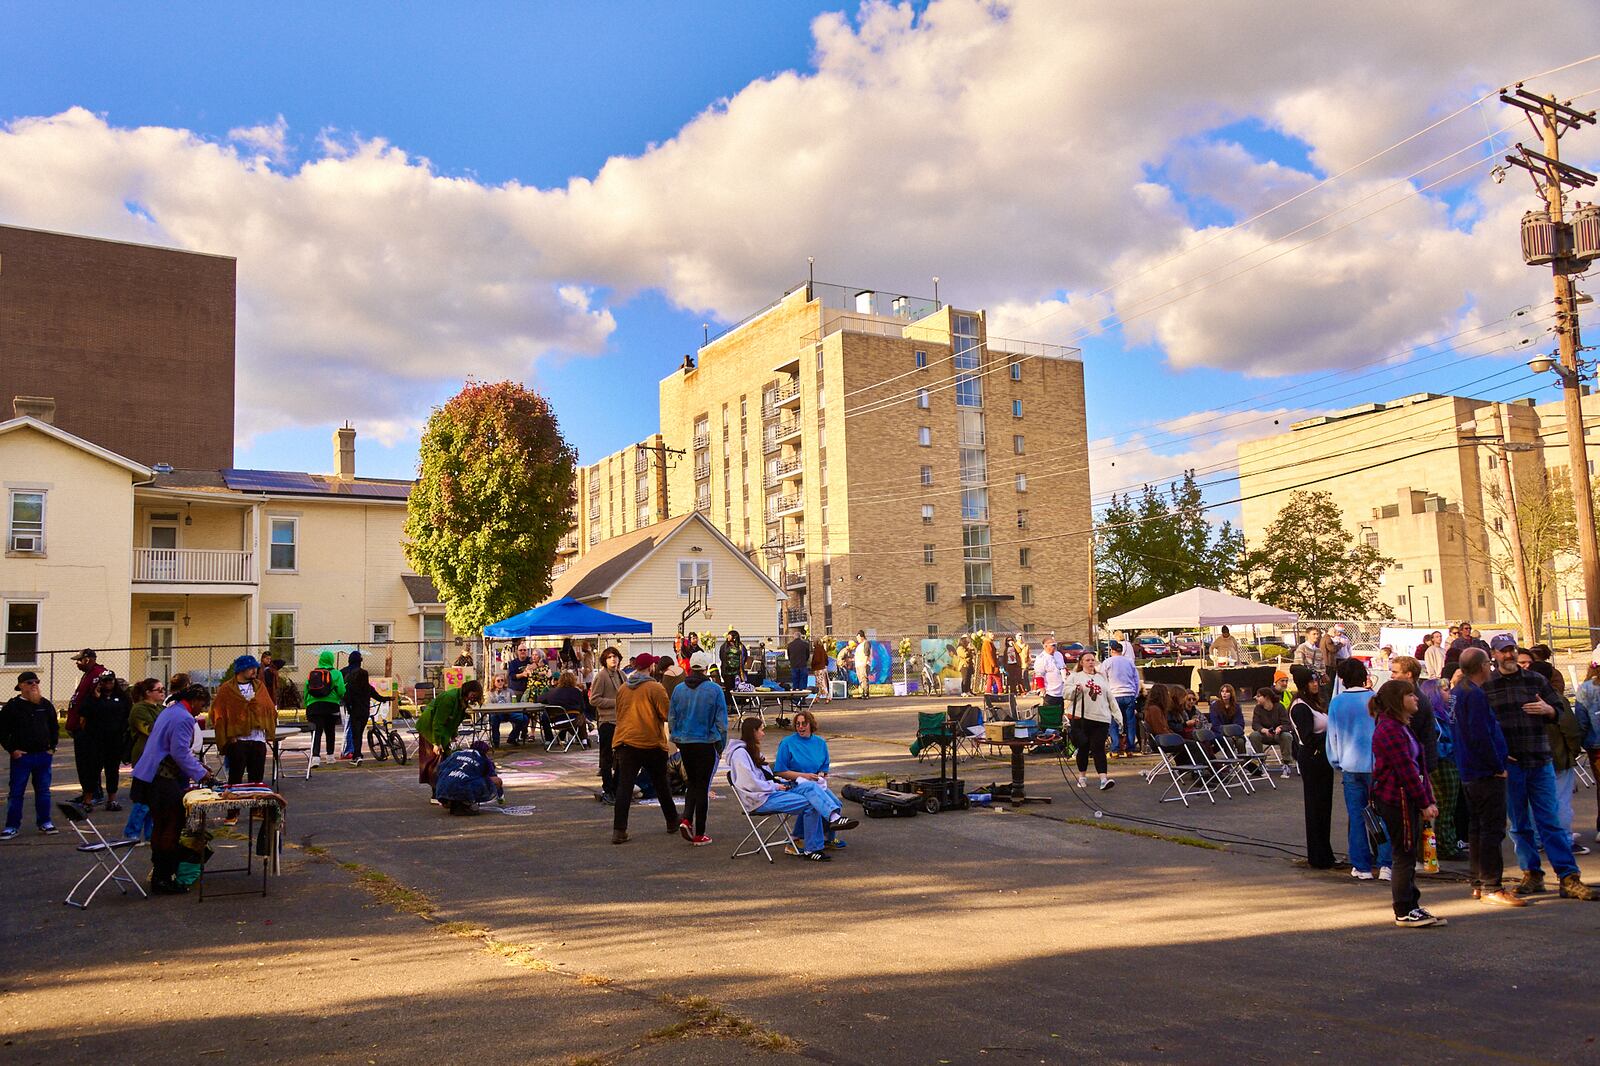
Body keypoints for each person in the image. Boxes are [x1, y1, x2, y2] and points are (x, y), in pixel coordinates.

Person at [1483, 635, 1597, 900]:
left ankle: (1569, 877)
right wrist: (1498, 755)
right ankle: (1531, 874)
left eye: (1512, 649)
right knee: (1520, 825)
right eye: (1503, 651)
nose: (1509, 655)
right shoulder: (1487, 685)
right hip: (1511, 766)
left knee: (1551, 821)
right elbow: (1482, 726)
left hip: (1540, 760)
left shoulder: (1535, 680)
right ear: (1494, 655)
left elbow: (1561, 711)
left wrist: (1549, 710)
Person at [1369, 679, 1446, 928]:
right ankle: (1404, 909)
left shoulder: (1402, 726)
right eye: (1410, 695)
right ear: (1396, 700)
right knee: (1403, 854)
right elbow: (1406, 772)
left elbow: (1418, 767)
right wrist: (1424, 802)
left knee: (1408, 853)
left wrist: (1428, 798)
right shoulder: (1389, 729)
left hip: (1406, 798)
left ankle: (1412, 904)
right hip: (1396, 801)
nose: (1416, 698)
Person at [726, 717, 856, 861]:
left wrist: (782, 782)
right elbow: (750, 783)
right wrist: (776, 786)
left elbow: (767, 777)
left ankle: (831, 820)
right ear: (753, 732)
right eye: (761, 730)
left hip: (770, 792)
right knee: (812, 803)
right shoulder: (740, 754)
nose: (763, 734)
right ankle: (814, 847)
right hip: (759, 800)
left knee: (810, 786)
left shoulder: (752, 751)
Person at [1451, 648, 1524, 907]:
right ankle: (1492, 884)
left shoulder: (1459, 692)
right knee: (1491, 828)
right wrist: (1496, 765)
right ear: (1483, 666)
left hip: (1470, 769)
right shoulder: (1474, 694)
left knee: (1477, 828)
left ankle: (1478, 882)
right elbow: (1480, 734)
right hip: (1483, 772)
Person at [129, 684, 216, 893]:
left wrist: (197, 766)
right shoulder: (184, 718)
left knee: (160, 826)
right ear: (194, 700)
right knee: (171, 825)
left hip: (149, 774)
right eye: (202, 706)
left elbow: (172, 748)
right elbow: (179, 753)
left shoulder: (170, 710)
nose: (201, 710)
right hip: (161, 777)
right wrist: (201, 773)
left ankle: (160, 874)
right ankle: (163, 877)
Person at [1326, 658, 1391, 881]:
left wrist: (1336, 760)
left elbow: (1332, 737)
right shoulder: (1374, 699)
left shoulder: (1336, 703)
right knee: (1382, 815)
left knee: (1357, 817)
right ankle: (1386, 864)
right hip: (1377, 766)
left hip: (1350, 766)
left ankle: (1362, 866)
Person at [1390, 655, 1460, 860]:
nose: (1391, 675)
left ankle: (1422, 855)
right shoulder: (1402, 698)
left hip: (1417, 767)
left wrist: (1427, 767)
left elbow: (1427, 738)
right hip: (1413, 766)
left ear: (1408, 674)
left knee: (1424, 812)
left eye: (1395, 672)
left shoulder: (1416, 702)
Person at [610, 654, 679, 844]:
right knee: (661, 784)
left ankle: (619, 830)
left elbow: (618, 713)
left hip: (625, 741)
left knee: (625, 786)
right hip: (650, 742)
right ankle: (672, 821)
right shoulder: (655, 688)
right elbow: (666, 714)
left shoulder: (623, 688)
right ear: (651, 667)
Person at [668, 651, 726, 846]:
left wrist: (676, 738)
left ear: (690, 667)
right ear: (706, 668)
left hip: (685, 742)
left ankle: (686, 819)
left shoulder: (678, 689)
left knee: (692, 783)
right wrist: (720, 745)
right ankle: (700, 833)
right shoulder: (714, 690)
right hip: (706, 742)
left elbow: (672, 717)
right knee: (702, 787)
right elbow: (721, 722)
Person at [210, 655, 278, 823]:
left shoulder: (259, 686)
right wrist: (229, 736)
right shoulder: (227, 689)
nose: (254, 670)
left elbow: (268, 707)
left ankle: (257, 809)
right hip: (237, 740)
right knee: (235, 778)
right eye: (250, 668)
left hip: (257, 738)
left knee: (256, 776)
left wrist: (259, 714)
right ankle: (232, 812)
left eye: (255, 667)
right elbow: (219, 712)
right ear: (241, 670)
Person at [775, 709, 847, 850]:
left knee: (836, 803)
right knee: (814, 803)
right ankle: (800, 838)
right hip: (794, 784)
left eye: (804, 724)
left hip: (815, 784)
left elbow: (824, 766)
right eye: (797, 724)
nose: (800, 727)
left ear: (811, 725)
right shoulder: (787, 743)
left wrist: (821, 774)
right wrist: (803, 776)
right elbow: (780, 771)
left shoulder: (820, 743)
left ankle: (828, 837)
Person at [2, 671, 60, 839]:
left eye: (36, 681)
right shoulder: (12, 707)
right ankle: (12, 826)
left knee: (43, 791)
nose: (34, 685)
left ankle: (45, 822)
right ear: (20, 686)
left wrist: (52, 747)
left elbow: (54, 726)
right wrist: (12, 750)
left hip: (43, 755)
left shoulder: (45, 704)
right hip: (22, 757)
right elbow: (3, 731)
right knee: (16, 792)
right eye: (29, 682)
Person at [1288, 665, 1335, 868]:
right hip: (1313, 758)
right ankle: (1318, 856)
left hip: (1324, 758)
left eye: (1316, 680)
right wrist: (1331, 734)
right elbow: (1307, 738)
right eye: (1311, 681)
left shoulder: (1314, 703)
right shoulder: (1300, 707)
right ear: (1303, 685)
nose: (1315, 684)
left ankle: (1326, 852)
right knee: (1316, 808)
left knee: (1325, 807)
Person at [78, 672, 131, 812]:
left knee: (112, 771)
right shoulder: (92, 697)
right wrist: (95, 699)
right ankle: (88, 800)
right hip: (96, 741)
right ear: (100, 682)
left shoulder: (122, 697)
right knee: (92, 771)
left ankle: (112, 800)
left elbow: (128, 716)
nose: (108, 683)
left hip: (114, 741)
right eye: (105, 681)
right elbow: (83, 718)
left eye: (110, 680)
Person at [416, 681, 484, 788]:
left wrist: (453, 735)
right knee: (435, 761)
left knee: (446, 759)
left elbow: (455, 719)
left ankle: (444, 789)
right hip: (429, 728)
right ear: (467, 690)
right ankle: (436, 793)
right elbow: (438, 722)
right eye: (473, 695)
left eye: (476, 696)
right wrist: (436, 743)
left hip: (442, 729)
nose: (473, 699)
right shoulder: (449, 698)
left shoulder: (462, 700)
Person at [1066, 652, 1118, 791]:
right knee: (1083, 748)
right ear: (1081, 662)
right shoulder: (1075, 676)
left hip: (1101, 718)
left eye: (1092, 660)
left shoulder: (1101, 678)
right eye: (1087, 660)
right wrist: (1075, 689)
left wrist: (1118, 716)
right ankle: (1082, 776)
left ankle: (1103, 779)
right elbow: (1065, 693)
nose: (1090, 662)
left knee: (1098, 748)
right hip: (1081, 718)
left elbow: (1110, 697)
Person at [340, 649, 392, 763]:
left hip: (354, 711)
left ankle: (355, 754)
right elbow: (378, 696)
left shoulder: (348, 683)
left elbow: (346, 698)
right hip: (365, 712)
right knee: (359, 733)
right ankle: (356, 753)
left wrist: (347, 706)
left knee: (355, 734)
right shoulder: (367, 687)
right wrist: (387, 699)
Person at [588, 646, 625, 803]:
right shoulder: (601, 676)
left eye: (615, 656)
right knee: (606, 757)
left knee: (622, 756)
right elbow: (593, 699)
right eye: (610, 657)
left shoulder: (621, 674)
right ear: (605, 660)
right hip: (607, 721)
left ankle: (616, 787)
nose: (613, 659)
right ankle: (608, 789)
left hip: (622, 721)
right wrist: (615, 702)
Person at [303, 649, 346, 768]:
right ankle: (330, 756)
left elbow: (306, 691)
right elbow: (342, 691)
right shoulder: (337, 673)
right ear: (331, 660)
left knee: (316, 732)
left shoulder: (313, 673)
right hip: (331, 706)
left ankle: (315, 757)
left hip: (313, 706)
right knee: (330, 731)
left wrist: (307, 703)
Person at [433, 741, 503, 814]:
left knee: (457, 784)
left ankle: (451, 801)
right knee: (496, 781)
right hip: (464, 789)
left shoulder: (456, 754)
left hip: (442, 791)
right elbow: (493, 777)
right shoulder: (484, 759)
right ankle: (465, 802)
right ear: (485, 752)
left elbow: (439, 769)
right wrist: (500, 797)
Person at [1102, 640, 1141, 757]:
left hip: (1114, 695)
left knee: (1113, 723)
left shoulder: (1107, 662)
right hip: (1129, 694)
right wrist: (1135, 694)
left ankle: (1115, 749)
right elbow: (1136, 680)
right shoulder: (1129, 662)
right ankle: (1129, 749)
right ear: (1122, 651)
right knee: (1130, 722)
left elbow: (1103, 680)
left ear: (1111, 651)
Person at [538, 669, 592, 748]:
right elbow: (582, 708)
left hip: (556, 722)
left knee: (549, 715)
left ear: (560, 680)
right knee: (581, 716)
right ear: (573, 681)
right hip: (572, 720)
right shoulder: (577, 692)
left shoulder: (552, 692)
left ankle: (549, 739)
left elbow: (539, 699)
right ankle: (584, 740)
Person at [1249, 686, 1295, 777]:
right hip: (1265, 734)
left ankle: (1286, 763)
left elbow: (1288, 724)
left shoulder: (1279, 707)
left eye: (1258, 696)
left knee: (1287, 736)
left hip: (1278, 734)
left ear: (1266, 697)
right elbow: (1255, 724)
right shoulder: (1258, 708)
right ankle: (1261, 762)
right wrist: (1264, 730)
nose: (1256, 698)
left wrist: (1280, 728)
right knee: (1254, 735)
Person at [486, 674, 528, 748]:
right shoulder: (490, 693)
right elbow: (489, 706)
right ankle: (496, 742)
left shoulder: (510, 691)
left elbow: (514, 704)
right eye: (498, 681)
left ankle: (512, 737)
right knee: (494, 719)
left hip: (509, 713)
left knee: (524, 718)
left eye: (502, 680)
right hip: (497, 714)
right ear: (494, 683)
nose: (500, 682)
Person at [1035, 636, 1068, 723]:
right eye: (1052, 645)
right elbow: (1039, 675)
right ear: (1045, 646)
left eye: (1055, 645)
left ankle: (1059, 732)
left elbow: (1063, 667)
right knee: (1050, 716)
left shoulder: (1058, 655)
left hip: (1061, 691)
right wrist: (1042, 688)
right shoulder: (1041, 659)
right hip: (1050, 692)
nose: (1055, 647)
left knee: (1059, 714)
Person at [852, 631, 872, 699]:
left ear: (862, 637)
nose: (857, 639)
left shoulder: (866, 643)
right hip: (858, 665)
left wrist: (864, 663)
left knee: (864, 678)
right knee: (860, 679)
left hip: (863, 664)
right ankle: (863, 693)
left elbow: (867, 654)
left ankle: (866, 694)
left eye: (858, 637)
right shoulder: (859, 645)